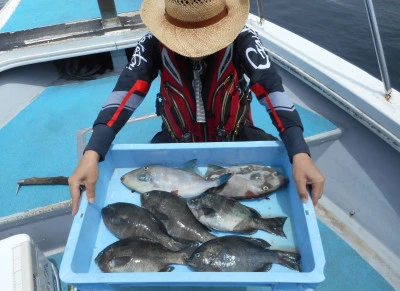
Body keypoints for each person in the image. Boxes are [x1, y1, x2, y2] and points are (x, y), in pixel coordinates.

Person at [69, 0, 325, 216]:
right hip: (176, 140)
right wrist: (93, 152)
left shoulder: (243, 39)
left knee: (285, 176)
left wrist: (299, 151)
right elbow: (125, 92)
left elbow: (270, 88)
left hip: (235, 136)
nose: (195, 52)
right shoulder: (151, 43)